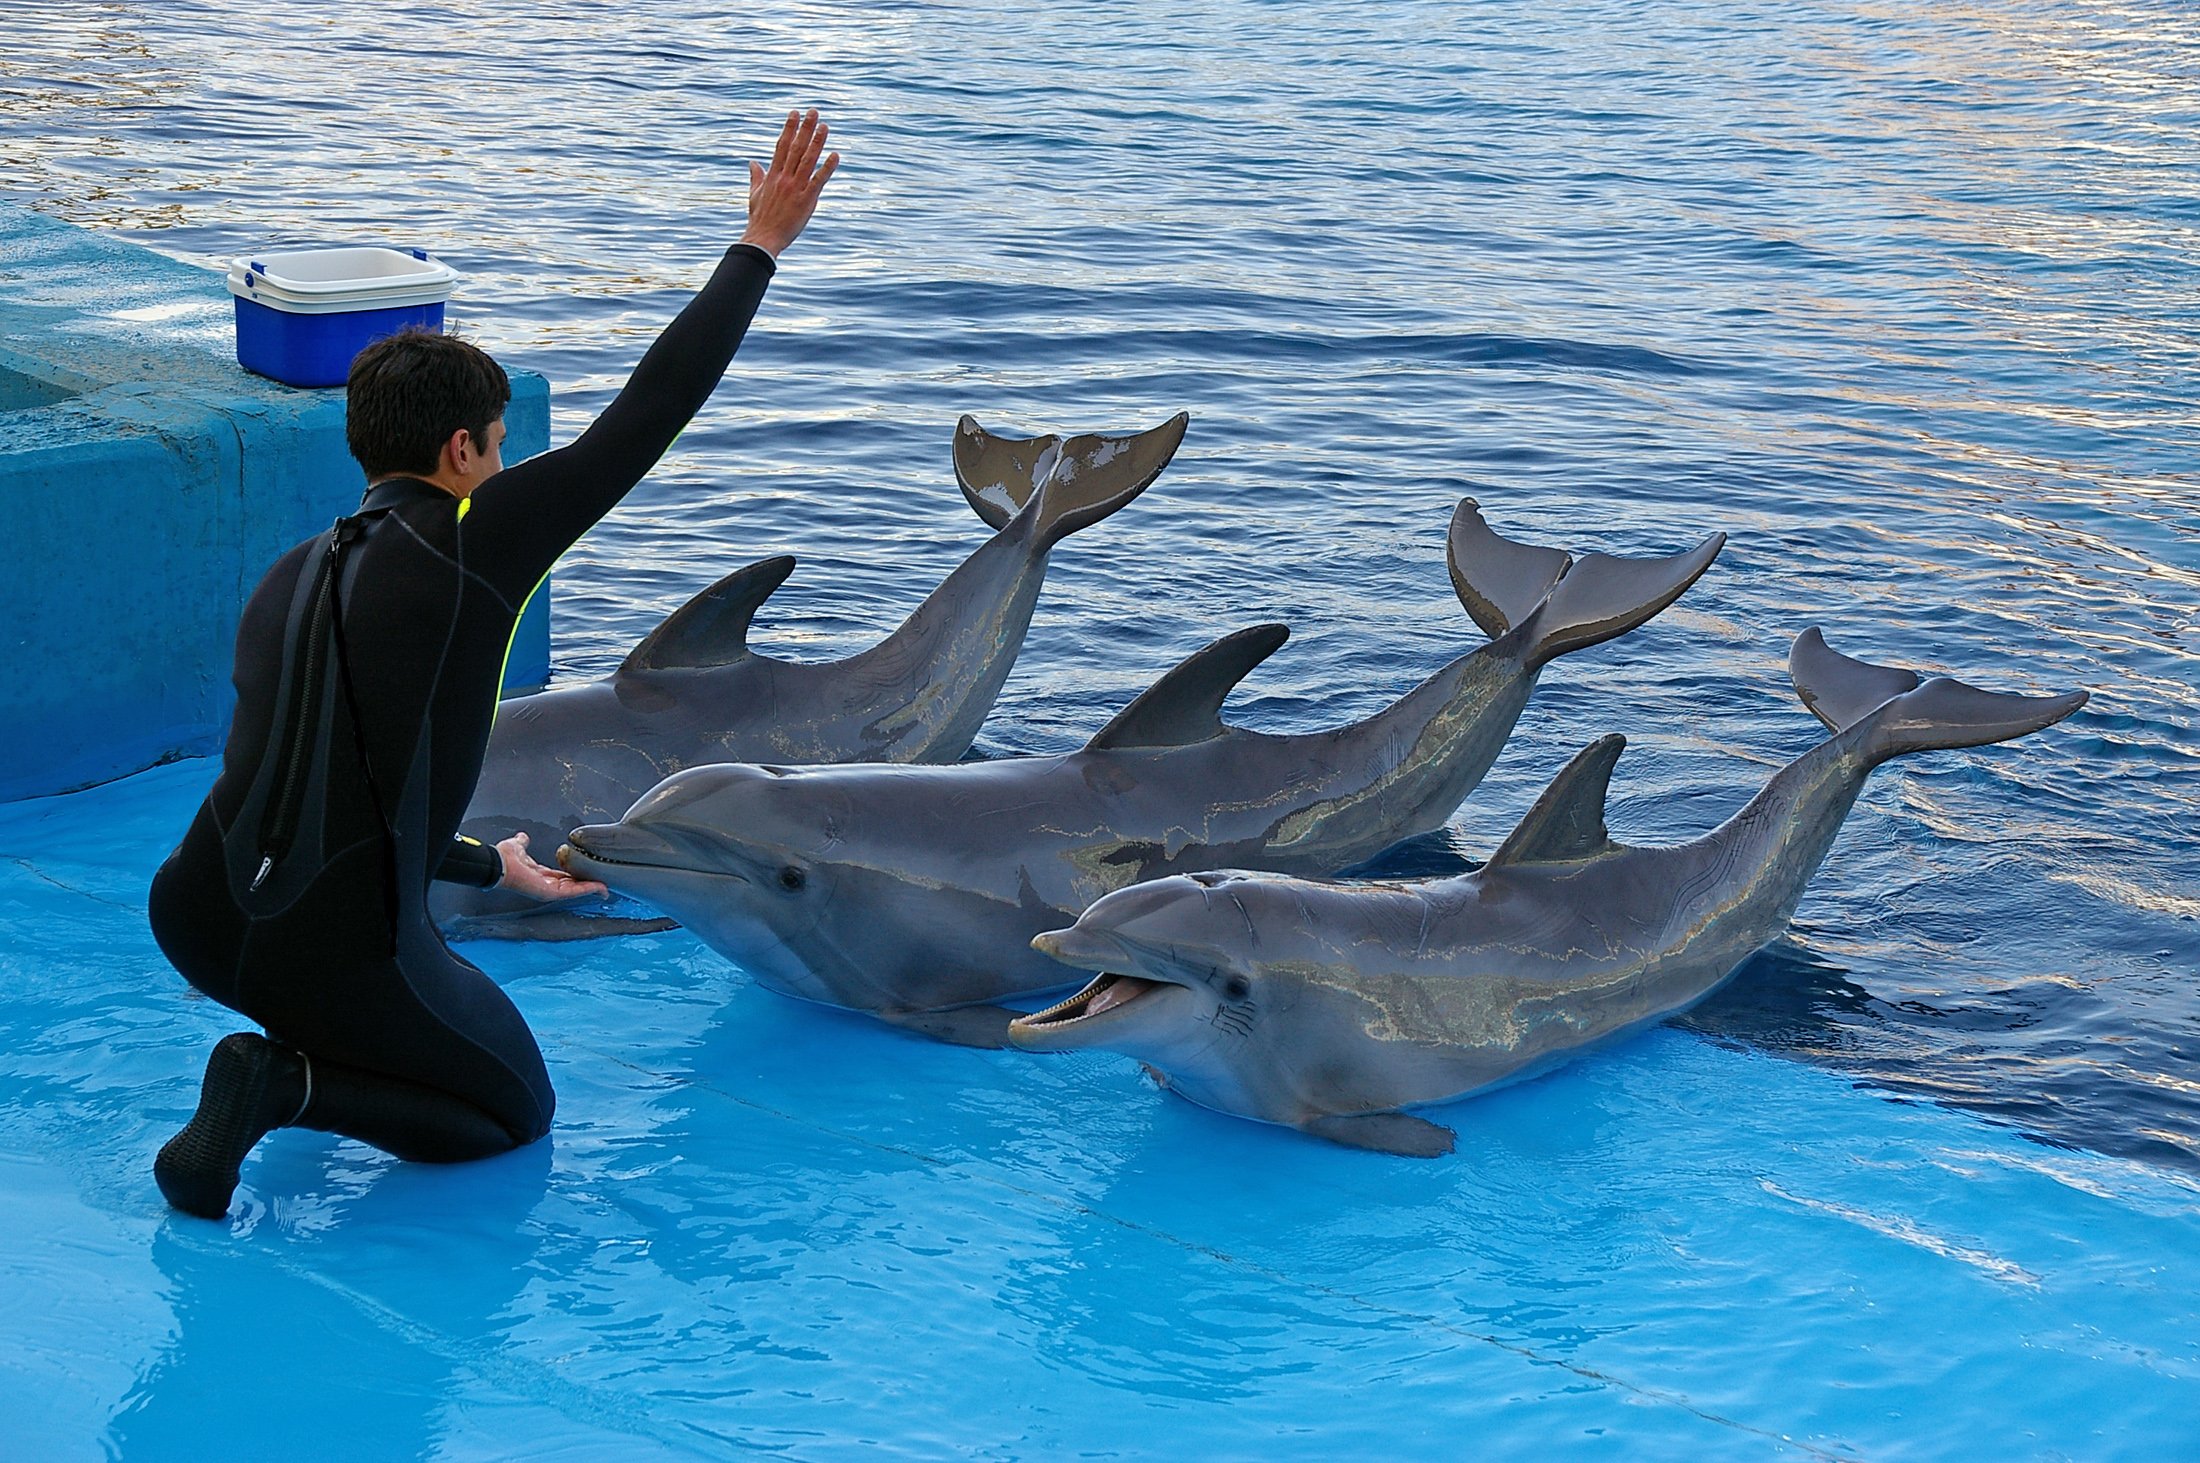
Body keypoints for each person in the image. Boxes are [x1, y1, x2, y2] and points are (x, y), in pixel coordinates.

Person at [146, 109, 840, 1221]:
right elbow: (649, 413)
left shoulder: (293, 572)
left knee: (331, 966)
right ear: (463, 450)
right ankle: (287, 1080)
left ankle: (297, 1031)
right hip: (329, 940)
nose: (508, 460)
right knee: (513, 1107)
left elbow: (315, 784)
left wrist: (485, 868)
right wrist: (759, 245)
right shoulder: (469, 539)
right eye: (502, 440)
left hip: (194, 911)